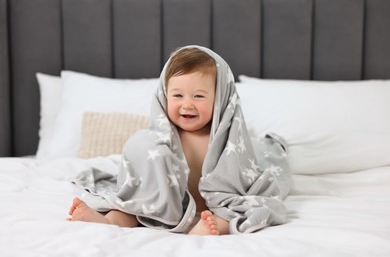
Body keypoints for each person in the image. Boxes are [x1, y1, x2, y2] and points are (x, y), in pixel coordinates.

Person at [68, 45, 291, 235]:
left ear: (220, 100)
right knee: (133, 208)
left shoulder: (229, 142)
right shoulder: (160, 140)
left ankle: (212, 226)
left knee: (233, 213)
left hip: (212, 207)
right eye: (177, 95)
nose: (187, 104)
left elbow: (240, 177)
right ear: (164, 95)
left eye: (199, 96)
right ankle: (108, 221)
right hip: (159, 203)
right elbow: (143, 179)